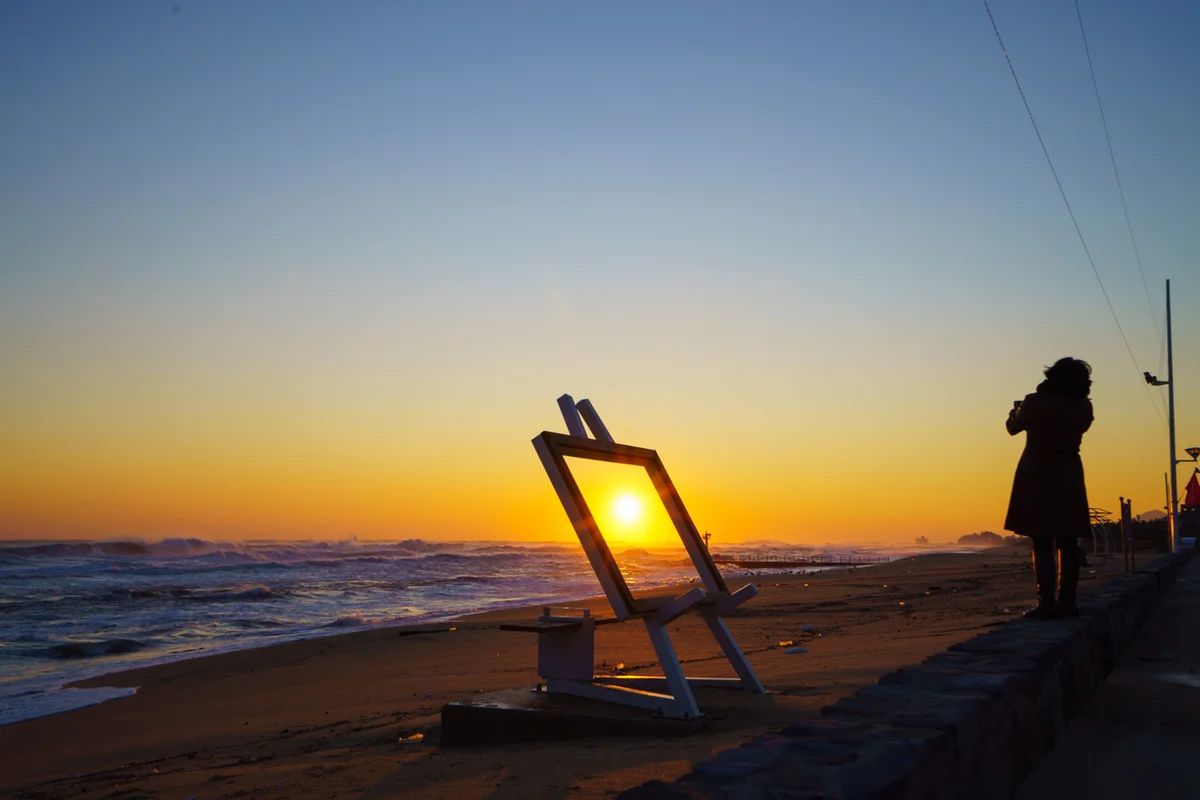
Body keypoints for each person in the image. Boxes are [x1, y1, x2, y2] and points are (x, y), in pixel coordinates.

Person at [1004, 357, 1094, 620]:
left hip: (1037, 472)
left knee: (1042, 540)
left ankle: (1046, 603)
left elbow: (1013, 428)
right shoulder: (1083, 407)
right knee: (1068, 540)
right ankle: (1068, 603)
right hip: (1069, 473)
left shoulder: (1034, 402)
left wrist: (1014, 412)